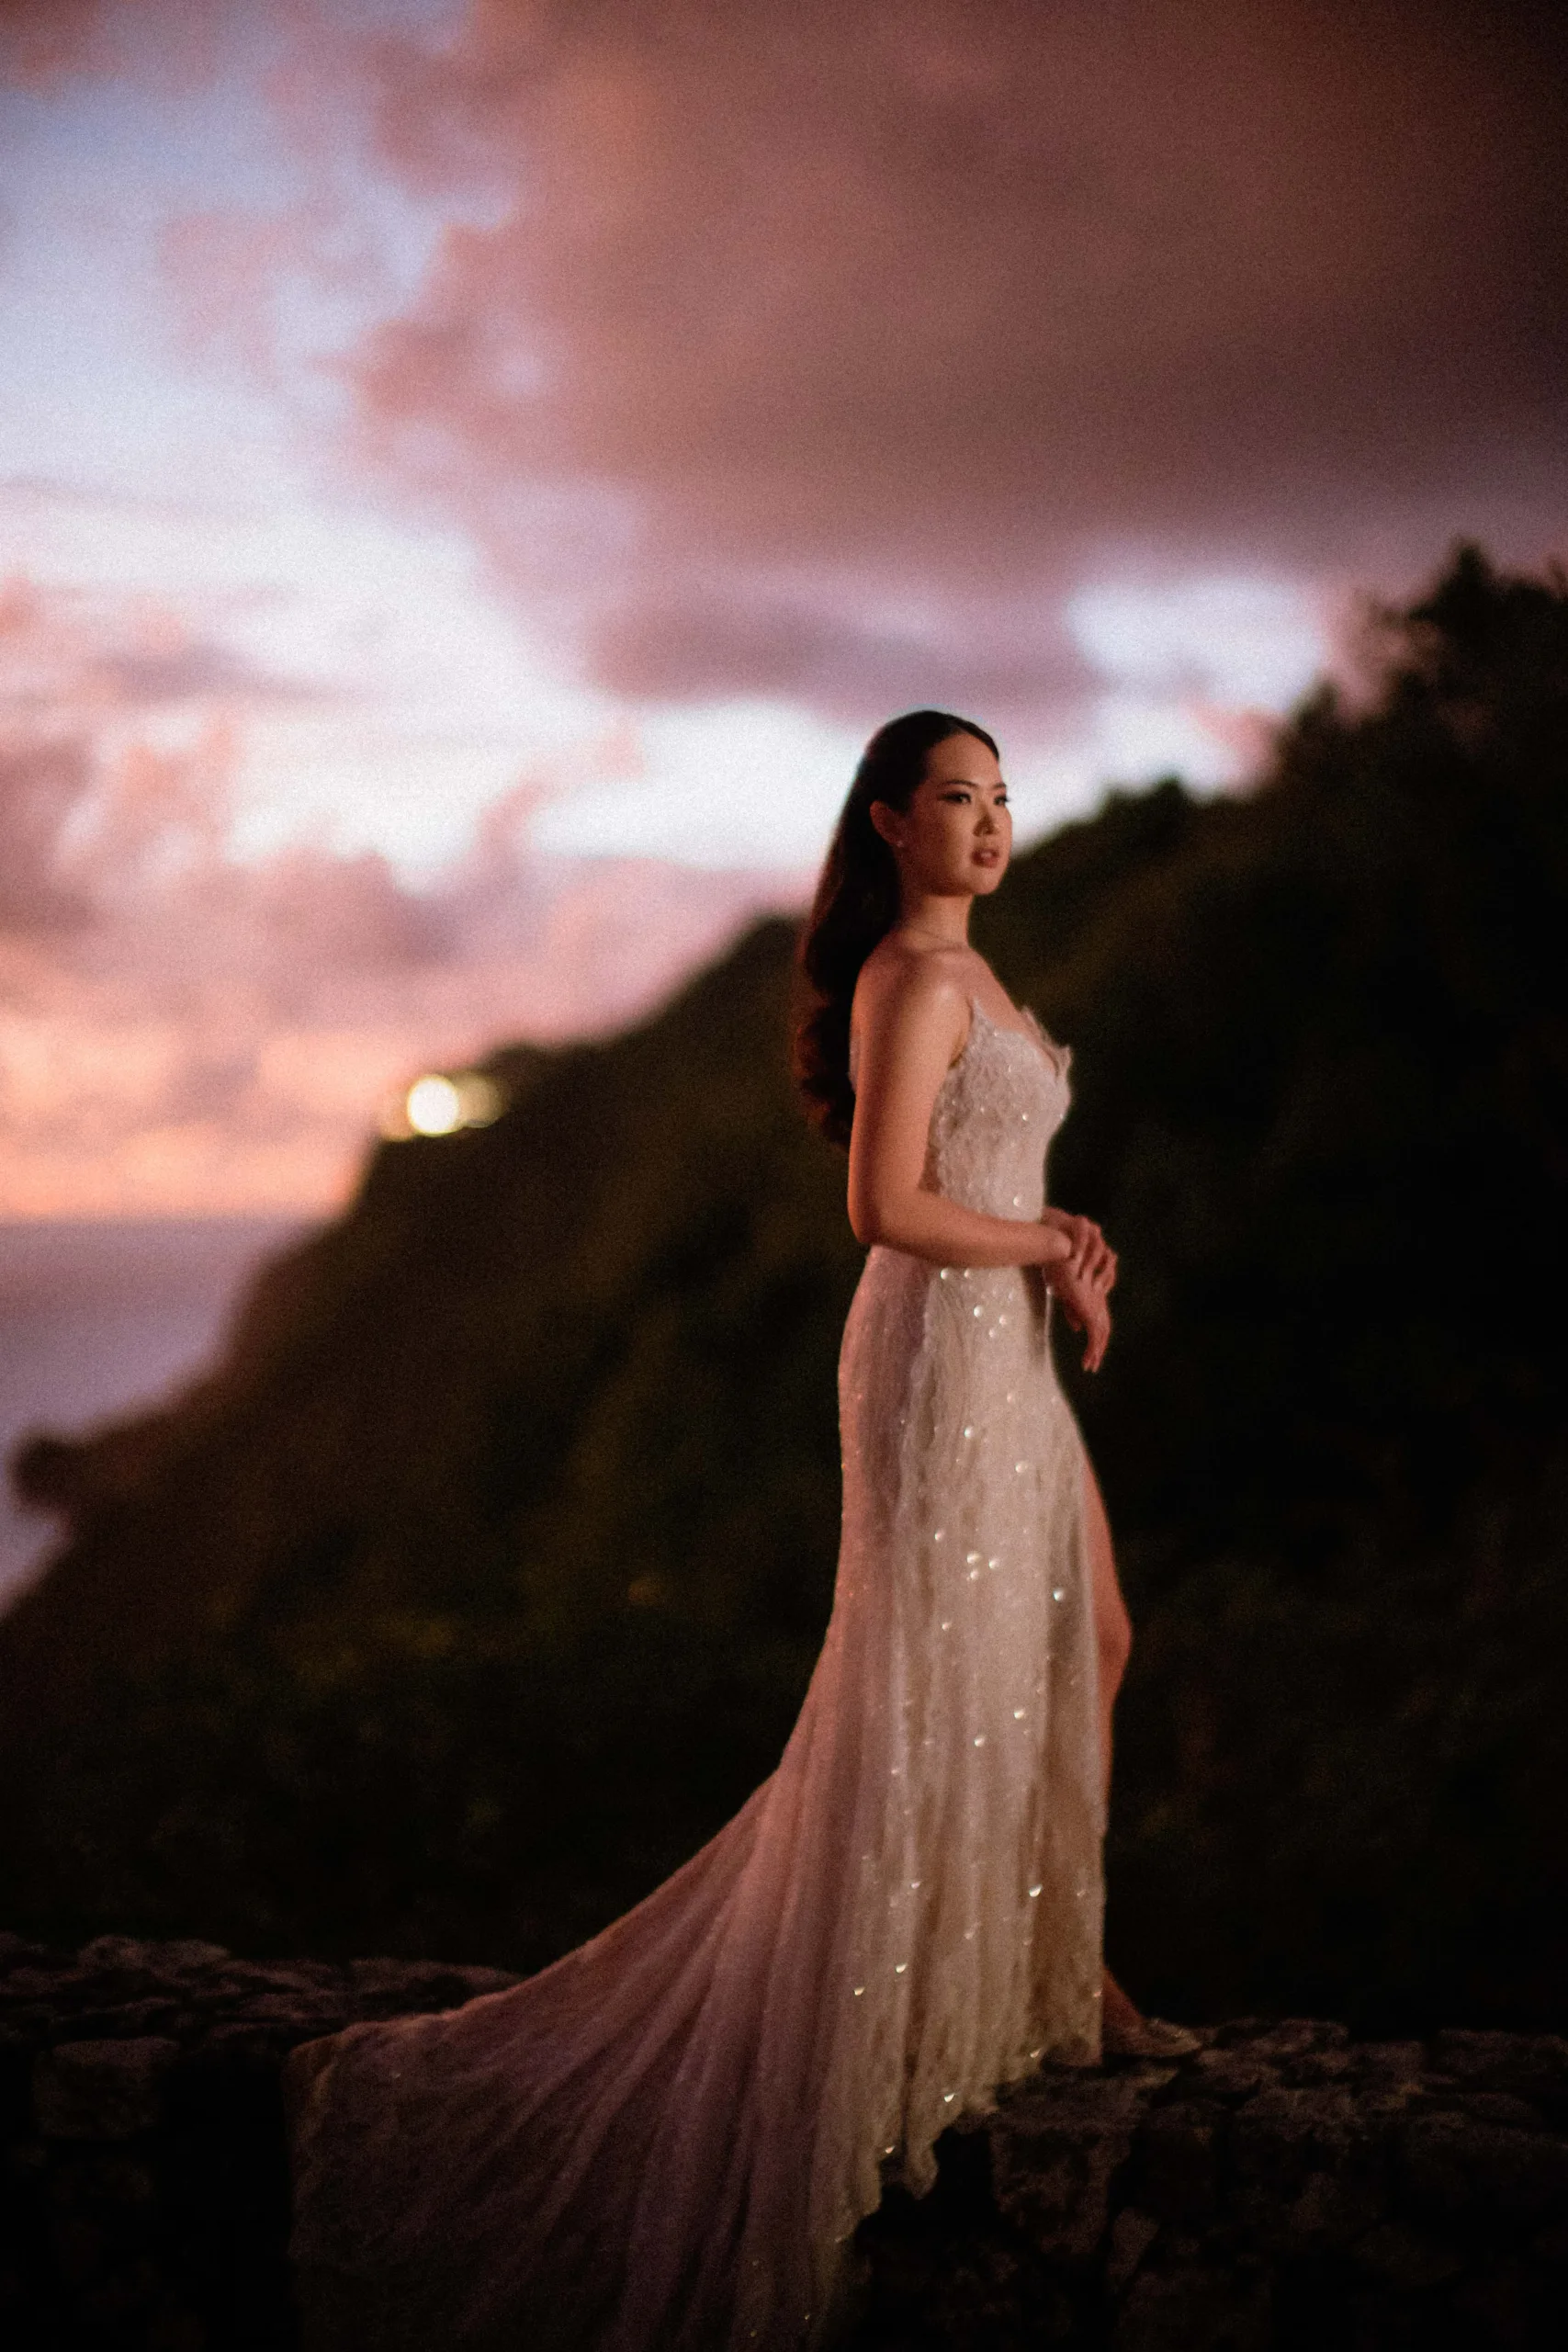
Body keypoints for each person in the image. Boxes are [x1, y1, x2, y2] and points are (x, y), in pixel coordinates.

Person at [286, 709, 1195, 2352]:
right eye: (954, 799)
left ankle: (1058, 1966)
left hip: (994, 1347)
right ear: (884, 824)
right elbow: (882, 1206)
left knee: (1095, 1634)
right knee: (927, 1672)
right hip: (931, 1351)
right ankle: (1030, 1992)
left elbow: (970, 1187)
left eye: (1001, 798)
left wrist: (1050, 1250)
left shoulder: (981, 974)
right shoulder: (907, 984)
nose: (988, 825)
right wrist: (1040, 1240)